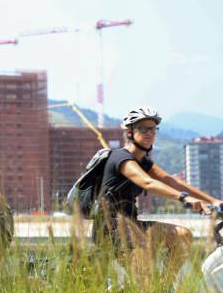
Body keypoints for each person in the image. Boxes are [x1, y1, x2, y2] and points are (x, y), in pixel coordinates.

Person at [93, 105, 223, 260]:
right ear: (130, 132)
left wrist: (213, 200)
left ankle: (164, 284)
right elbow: (148, 183)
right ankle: (147, 285)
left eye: (153, 129)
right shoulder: (121, 158)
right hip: (111, 229)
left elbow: (172, 181)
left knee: (183, 236)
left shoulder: (143, 162)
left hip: (133, 225)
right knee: (144, 274)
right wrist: (184, 198)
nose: (150, 133)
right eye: (143, 129)